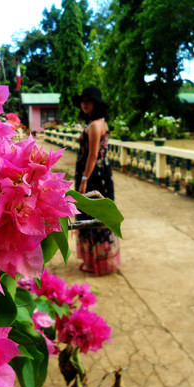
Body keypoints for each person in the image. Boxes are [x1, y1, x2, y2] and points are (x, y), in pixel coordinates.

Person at [72, 86, 120, 275]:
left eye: (88, 101)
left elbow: (92, 155)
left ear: (96, 104)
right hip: (103, 174)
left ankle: (94, 262)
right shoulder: (102, 123)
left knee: (90, 215)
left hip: (93, 176)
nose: (84, 104)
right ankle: (101, 259)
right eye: (82, 101)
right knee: (102, 213)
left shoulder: (94, 126)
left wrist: (84, 180)